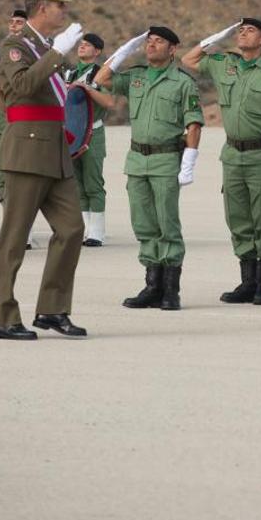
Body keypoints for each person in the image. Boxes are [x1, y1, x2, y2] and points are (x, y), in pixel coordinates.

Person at [0, 0, 86, 341]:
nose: (65, 11)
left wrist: (55, 52)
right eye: (60, 5)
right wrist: (58, 54)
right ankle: (3, 317)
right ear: (43, 8)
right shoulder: (15, 45)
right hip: (27, 150)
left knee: (73, 229)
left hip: (54, 149)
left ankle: (52, 308)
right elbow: (21, 88)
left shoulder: (44, 46)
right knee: (14, 239)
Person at [182, 18, 261, 306]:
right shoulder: (225, 64)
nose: (242, 33)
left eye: (250, 30)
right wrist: (215, 38)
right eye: (240, 30)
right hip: (232, 155)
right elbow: (188, 59)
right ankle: (247, 282)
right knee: (237, 219)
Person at [95, 26, 203, 311]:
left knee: (167, 223)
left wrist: (189, 160)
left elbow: (193, 123)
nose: (152, 45)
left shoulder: (182, 82)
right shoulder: (136, 76)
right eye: (149, 41)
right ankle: (152, 285)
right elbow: (101, 78)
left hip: (166, 159)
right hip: (137, 159)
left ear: (173, 49)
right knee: (143, 224)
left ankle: (171, 289)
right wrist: (122, 53)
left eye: (159, 42)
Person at [0, 9, 34, 251]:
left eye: (20, 22)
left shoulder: (33, 52)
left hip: (21, 123)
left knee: (20, 179)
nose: (14, 25)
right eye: (12, 21)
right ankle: (10, 231)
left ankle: (22, 234)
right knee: (3, 179)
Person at [64, 33, 114, 247]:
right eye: (81, 44)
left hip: (93, 133)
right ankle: (83, 229)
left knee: (93, 182)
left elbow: (109, 101)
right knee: (77, 182)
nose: (82, 47)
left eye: (88, 45)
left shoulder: (100, 74)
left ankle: (97, 232)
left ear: (97, 51)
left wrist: (87, 88)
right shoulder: (70, 72)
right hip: (72, 131)